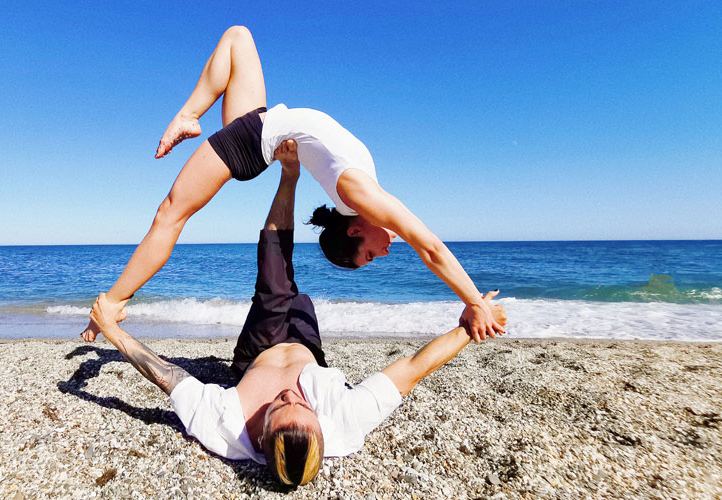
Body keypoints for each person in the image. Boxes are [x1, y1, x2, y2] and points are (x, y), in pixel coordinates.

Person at [87, 150, 508, 486]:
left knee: (274, 271)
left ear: (262, 435)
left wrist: (112, 330)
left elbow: (167, 377)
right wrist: (469, 328)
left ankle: (288, 177)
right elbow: (413, 369)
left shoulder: (227, 429)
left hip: (258, 347)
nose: (290, 397)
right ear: (321, 430)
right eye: (301, 407)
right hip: (307, 343)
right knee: (298, 296)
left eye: (278, 407)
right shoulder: (347, 422)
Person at [80, 25, 503, 346]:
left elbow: (427, 246)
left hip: (253, 143)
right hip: (261, 125)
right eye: (374, 255)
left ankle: (114, 301)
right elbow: (429, 245)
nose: (386, 251)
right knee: (238, 37)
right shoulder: (361, 195)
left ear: (355, 229)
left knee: (171, 214)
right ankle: (189, 114)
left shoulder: (359, 197)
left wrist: (474, 303)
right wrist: (474, 301)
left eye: (372, 254)